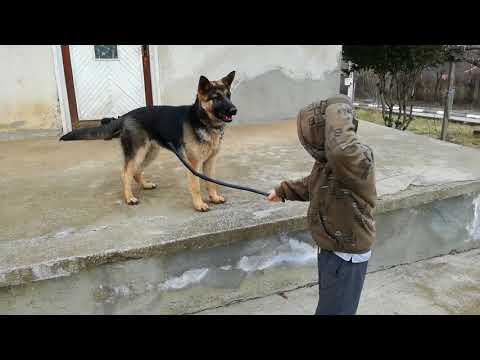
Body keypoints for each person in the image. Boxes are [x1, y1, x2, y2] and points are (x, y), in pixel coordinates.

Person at [267, 95, 377, 315]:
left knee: (335, 311)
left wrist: (337, 105)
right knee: (329, 303)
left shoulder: (357, 161)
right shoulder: (326, 161)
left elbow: (342, 150)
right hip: (329, 247)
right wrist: (283, 191)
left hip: (347, 256)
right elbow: (312, 184)